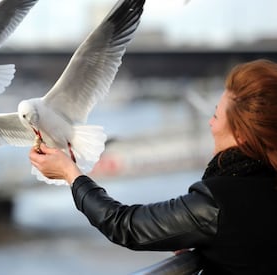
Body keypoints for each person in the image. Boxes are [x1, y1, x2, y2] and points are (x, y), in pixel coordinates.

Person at [29, 59, 277, 274]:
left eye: (215, 115)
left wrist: (71, 174)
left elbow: (125, 225)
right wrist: (214, 247)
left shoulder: (217, 203)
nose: (210, 124)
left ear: (242, 135)